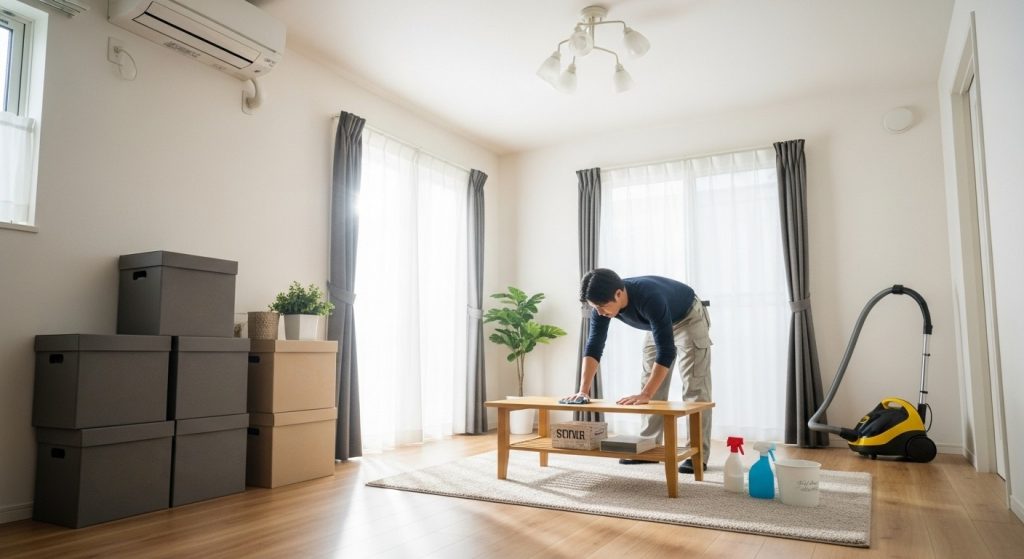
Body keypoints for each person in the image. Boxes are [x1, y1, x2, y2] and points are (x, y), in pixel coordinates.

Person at [565, 268, 712, 474]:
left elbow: (666, 352)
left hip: (687, 317)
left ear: (619, 294)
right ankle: (649, 446)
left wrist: (646, 394)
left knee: (694, 385)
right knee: (649, 383)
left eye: (601, 307)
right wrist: (583, 391)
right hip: (657, 323)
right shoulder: (601, 305)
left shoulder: (650, 297)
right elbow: (594, 347)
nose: (599, 312)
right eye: (594, 308)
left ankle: (698, 455)